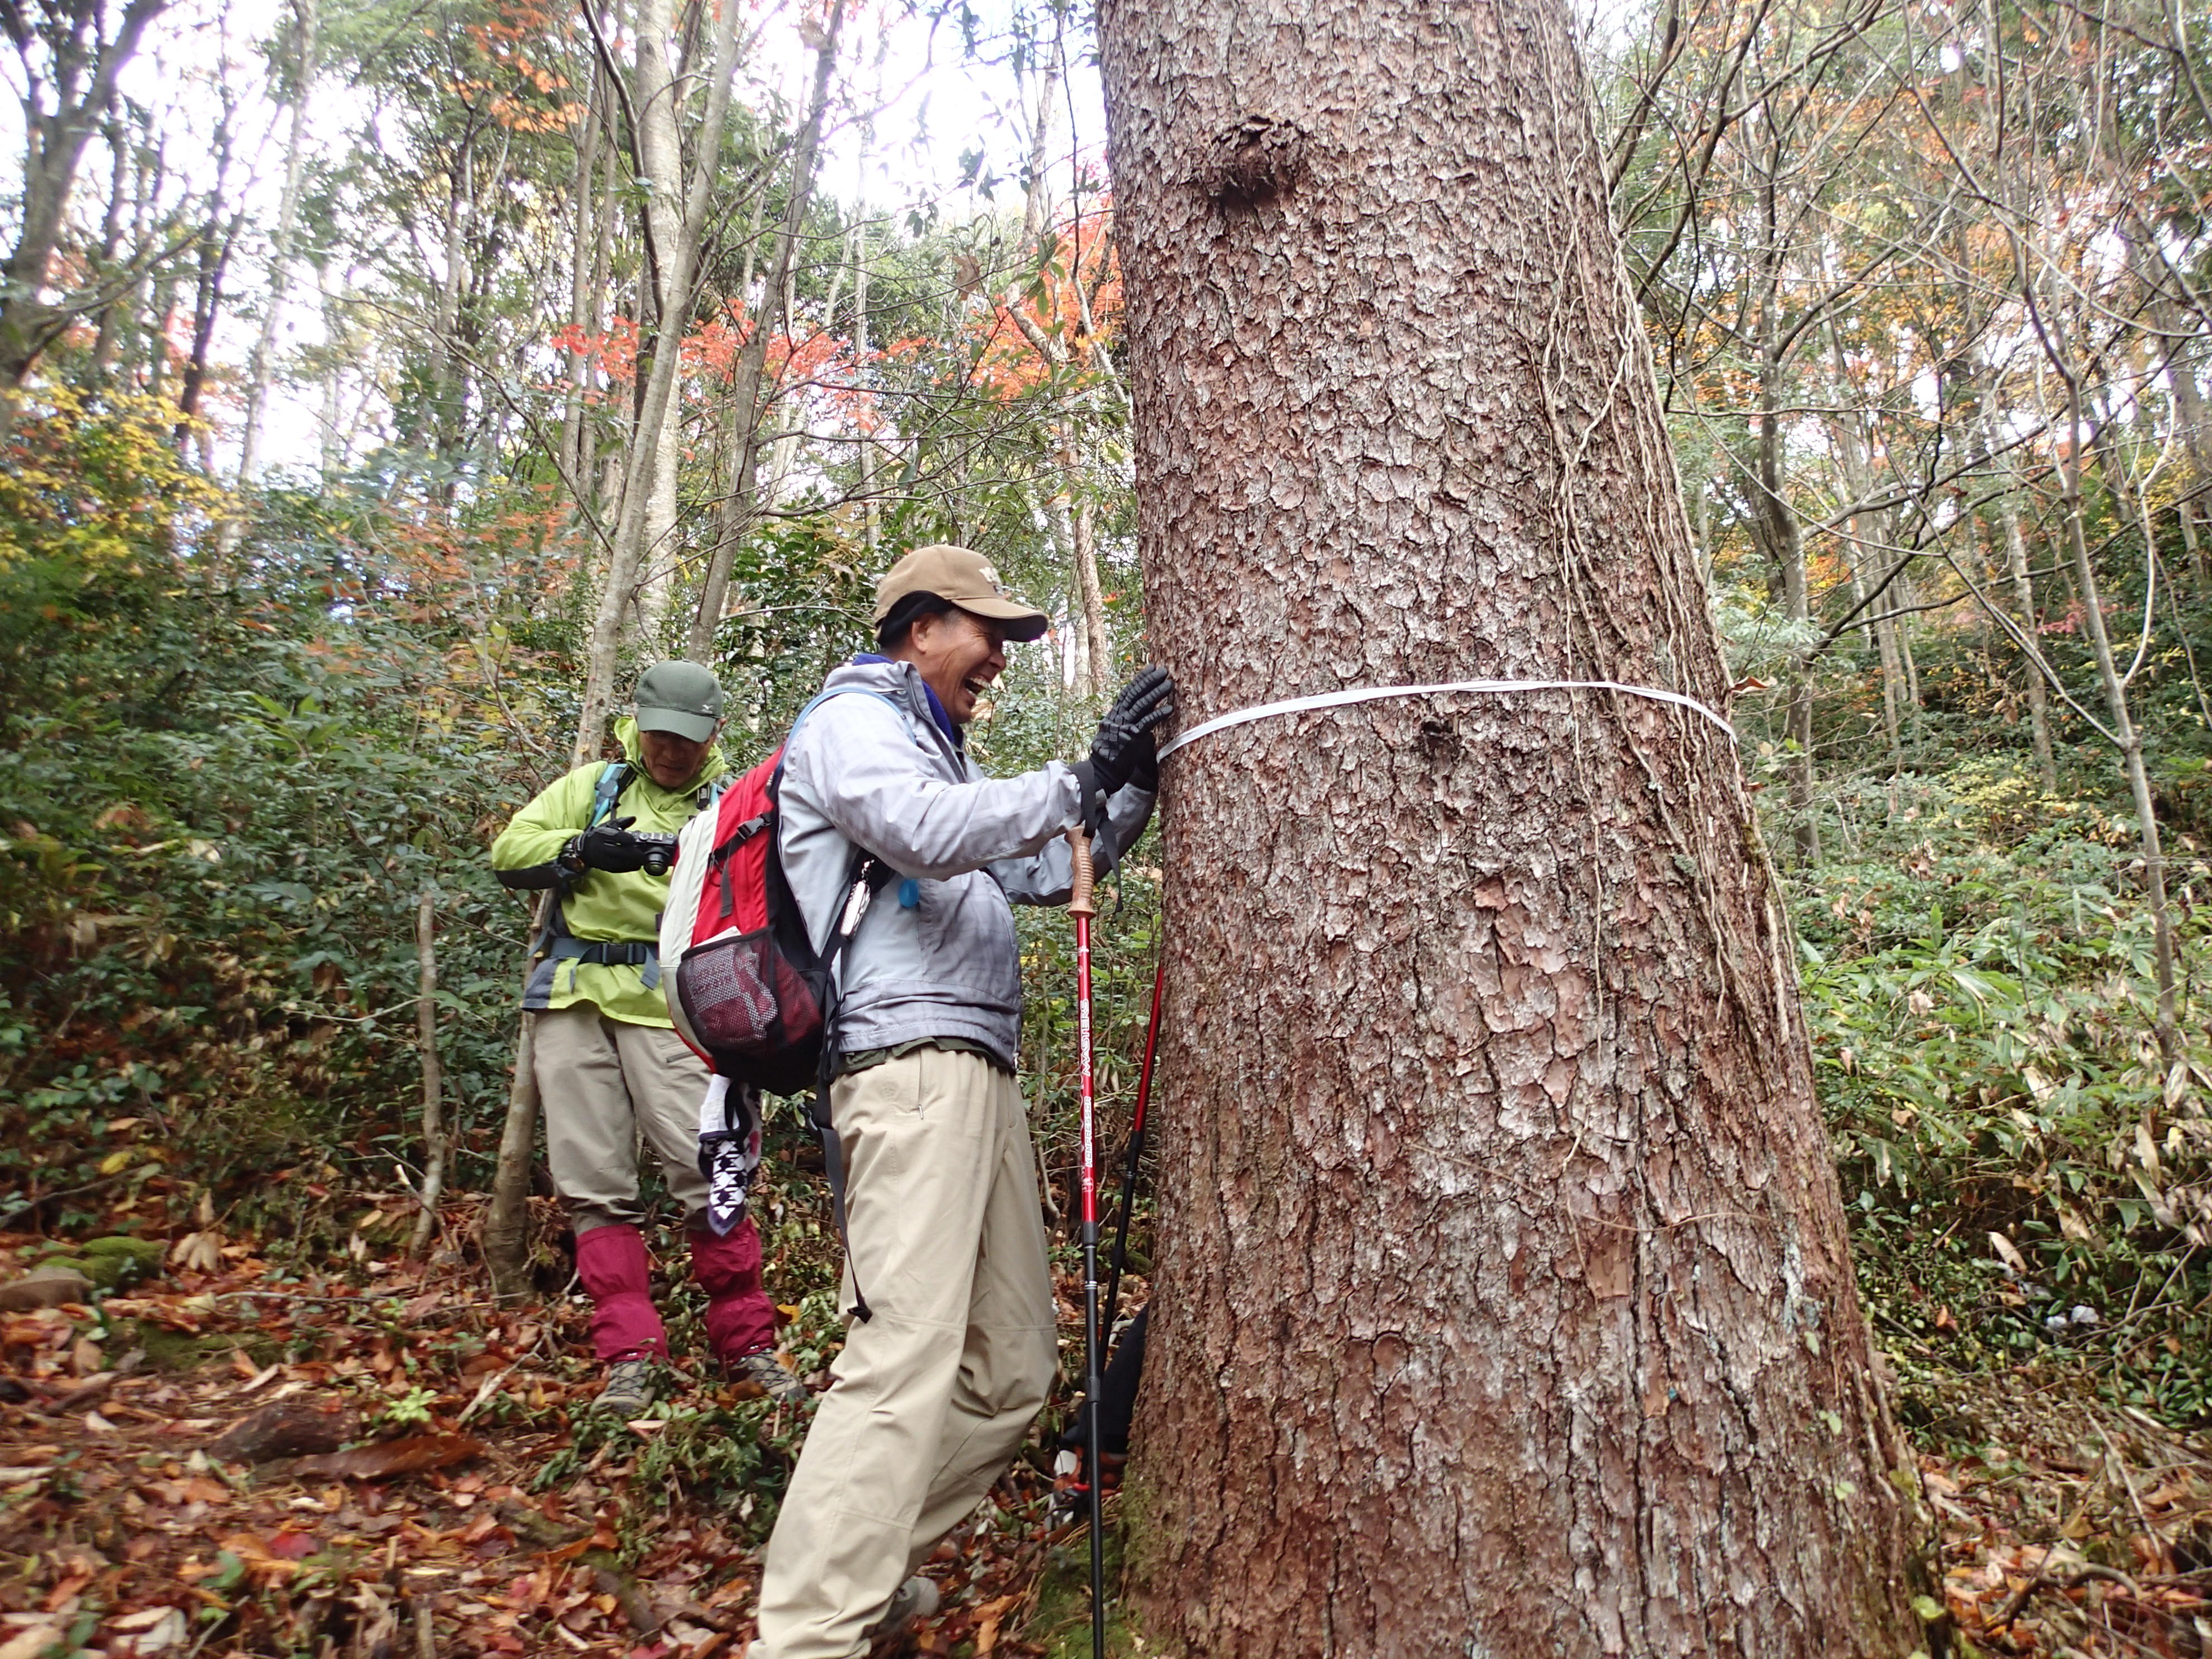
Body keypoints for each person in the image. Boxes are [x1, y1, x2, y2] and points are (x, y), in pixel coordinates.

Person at [746, 544, 1175, 1659]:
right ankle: (806, 1636)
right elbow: (925, 832)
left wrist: (1124, 788)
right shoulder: (852, 722)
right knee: (903, 1358)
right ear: (922, 624)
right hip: (903, 1068)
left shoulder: (936, 751)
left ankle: (855, 1573)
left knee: (1013, 1370)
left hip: (973, 1071)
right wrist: (1075, 779)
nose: (998, 659)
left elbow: (1032, 869)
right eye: (988, 634)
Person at [491, 662, 805, 1415]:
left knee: (711, 1177)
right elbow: (510, 852)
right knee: (595, 1186)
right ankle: (629, 1355)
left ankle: (748, 1346)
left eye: (687, 739)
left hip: (678, 1009)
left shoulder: (729, 804)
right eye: (660, 735)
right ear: (638, 723)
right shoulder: (595, 787)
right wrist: (581, 850)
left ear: (714, 736)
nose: (671, 751)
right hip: (574, 1000)